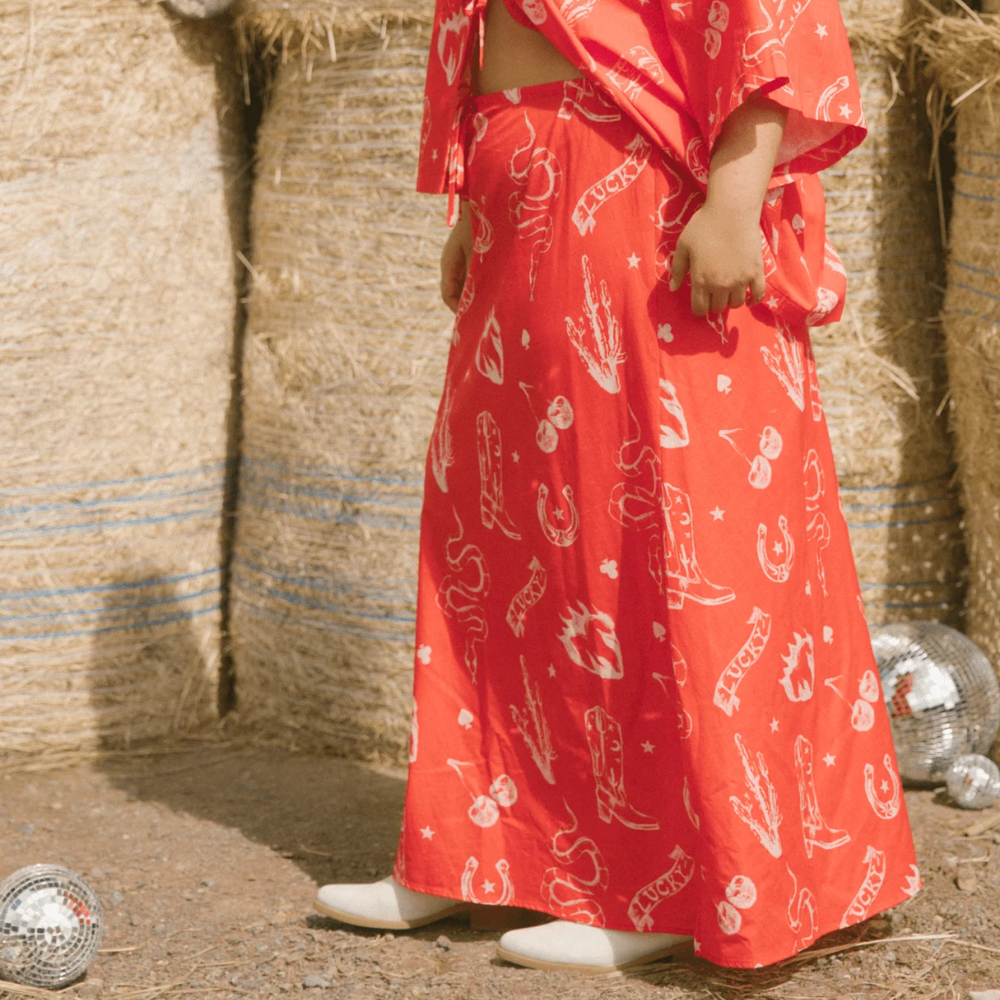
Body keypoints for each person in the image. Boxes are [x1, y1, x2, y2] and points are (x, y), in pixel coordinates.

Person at [315, 0, 923, 974]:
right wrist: (477, 194)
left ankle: (671, 881)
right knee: (498, 530)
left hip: (644, 183)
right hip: (524, 193)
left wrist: (735, 200)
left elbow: (767, 16)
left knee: (661, 532)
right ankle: (472, 849)